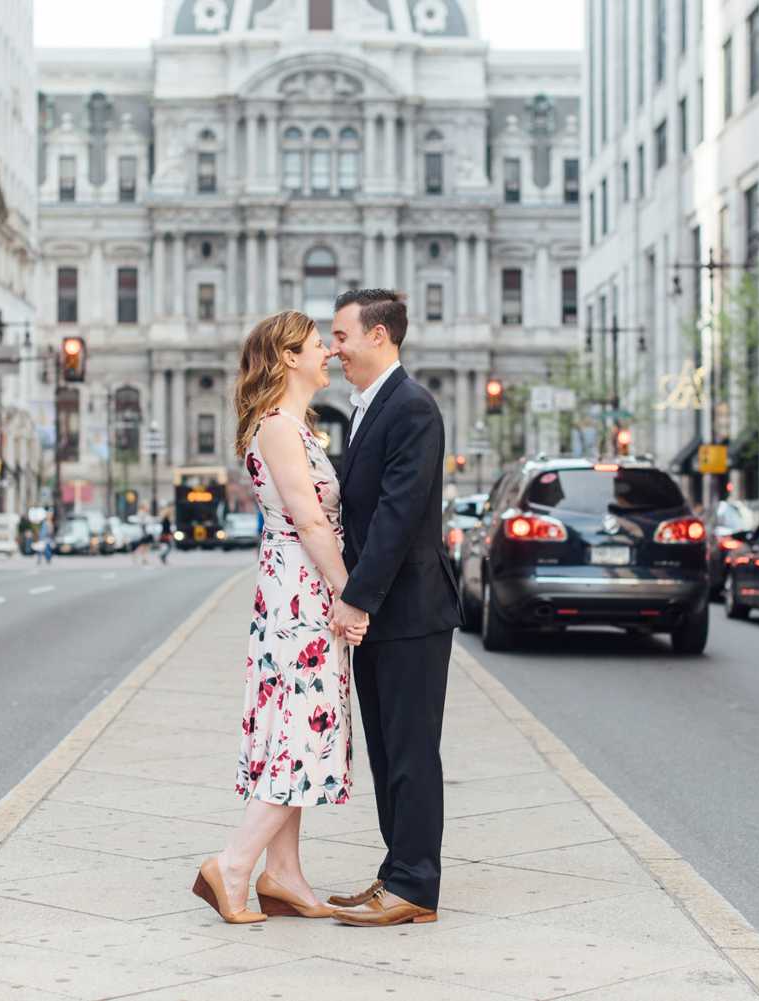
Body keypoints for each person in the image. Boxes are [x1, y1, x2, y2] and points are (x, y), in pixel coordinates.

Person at [192, 310, 368, 925]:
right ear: (289, 357)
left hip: (296, 587)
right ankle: (233, 865)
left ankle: (284, 875)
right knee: (303, 732)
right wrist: (348, 595)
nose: (331, 354)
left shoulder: (296, 427)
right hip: (303, 589)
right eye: (321, 346)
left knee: (294, 728)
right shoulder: (277, 429)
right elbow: (310, 519)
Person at [325, 289, 462, 928]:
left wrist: (355, 599)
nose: (334, 348)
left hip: (409, 612)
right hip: (386, 613)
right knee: (384, 749)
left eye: (342, 334)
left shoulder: (411, 408)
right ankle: (395, 870)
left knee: (409, 750)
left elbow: (397, 516)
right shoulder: (370, 408)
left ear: (378, 336)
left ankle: (415, 885)